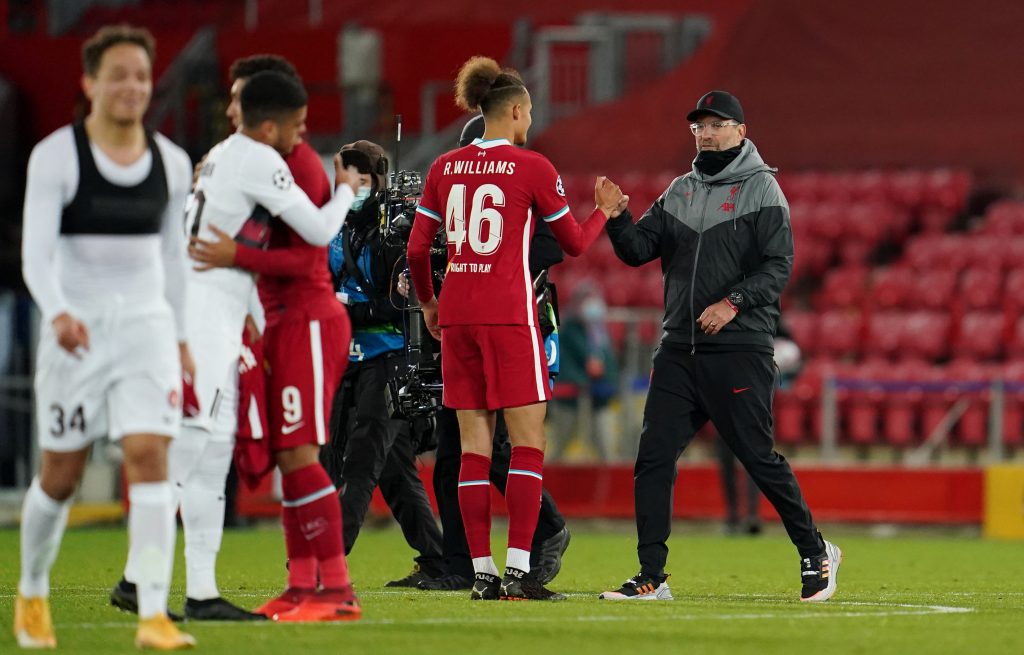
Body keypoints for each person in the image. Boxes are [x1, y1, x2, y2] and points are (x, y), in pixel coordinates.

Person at [599, 90, 841, 602]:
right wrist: (618, 217)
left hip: (739, 346)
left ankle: (815, 549)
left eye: (716, 125)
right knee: (654, 458)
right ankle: (651, 576)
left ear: (741, 132)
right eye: (698, 127)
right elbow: (638, 251)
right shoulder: (679, 190)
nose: (705, 134)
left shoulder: (763, 190)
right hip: (679, 348)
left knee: (756, 457)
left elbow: (778, 267)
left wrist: (733, 301)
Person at [407, 56, 626, 601]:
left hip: (458, 315)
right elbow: (572, 243)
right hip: (509, 315)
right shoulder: (533, 167)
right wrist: (602, 211)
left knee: (473, 448)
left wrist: (431, 305)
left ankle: (481, 572)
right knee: (528, 444)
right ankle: (520, 572)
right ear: (517, 110)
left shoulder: (444, 167)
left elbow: (416, 248)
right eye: (529, 112)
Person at [110, 53, 313, 624]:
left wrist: (251, 310)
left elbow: (220, 246)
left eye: (237, 96)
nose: (227, 107)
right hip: (201, 324)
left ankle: (198, 591)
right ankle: (139, 577)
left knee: (209, 455)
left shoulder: (216, 162)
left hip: (214, 320)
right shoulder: (245, 162)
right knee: (194, 449)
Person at [15, 25, 196, 649]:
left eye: (142, 76)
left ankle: (152, 614)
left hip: (147, 329)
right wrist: (59, 312)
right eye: (118, 75)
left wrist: (179, 337)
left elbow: (175, 259)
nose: (132, 87)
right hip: (77, 333)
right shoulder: (56, 157)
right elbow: (36, 255)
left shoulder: (171, 162)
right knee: (60, 476)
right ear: (90, 82)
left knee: (151, 459)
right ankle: (33, 592)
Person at [180, 69, 362, 622]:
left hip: (308, 317)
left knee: (301, 454)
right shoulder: (260, 159)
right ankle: (302, 585)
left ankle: (335, 590)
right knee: (288, 457)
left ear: (263, 117)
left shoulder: (296, 164)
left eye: (238, 102)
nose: (305, 134)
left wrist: (240, 259)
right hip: (279, 320)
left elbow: (310, 253)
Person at [417, 114, 572, 592]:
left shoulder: (485, 181)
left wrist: (469, 272)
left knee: (492, 449)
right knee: (464, 450)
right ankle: (472, 565)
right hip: (473, 323)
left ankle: (527, 545)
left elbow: (551, 249)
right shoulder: (518, 177)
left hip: (503, 321)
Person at [317, 139, 445, 587]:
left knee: (361, 461)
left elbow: (399, 304)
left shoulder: (396, 230)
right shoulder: (332, 227)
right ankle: (438, 557)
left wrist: (344, 308)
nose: (352, 188)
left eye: (362, 180)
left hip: (388, 359)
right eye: (346, 179)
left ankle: (326, 559)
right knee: (388, 471)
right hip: (344, 355)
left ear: (378, 182)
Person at [549, 281, 619, 462]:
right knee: (561, 445)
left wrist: (602, 372)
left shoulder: (601, 330)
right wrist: (586, 373)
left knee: (605, 447)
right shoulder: (567, 330)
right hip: (570, 399)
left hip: (598, 398)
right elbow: (564, 365)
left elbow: (610, 364)